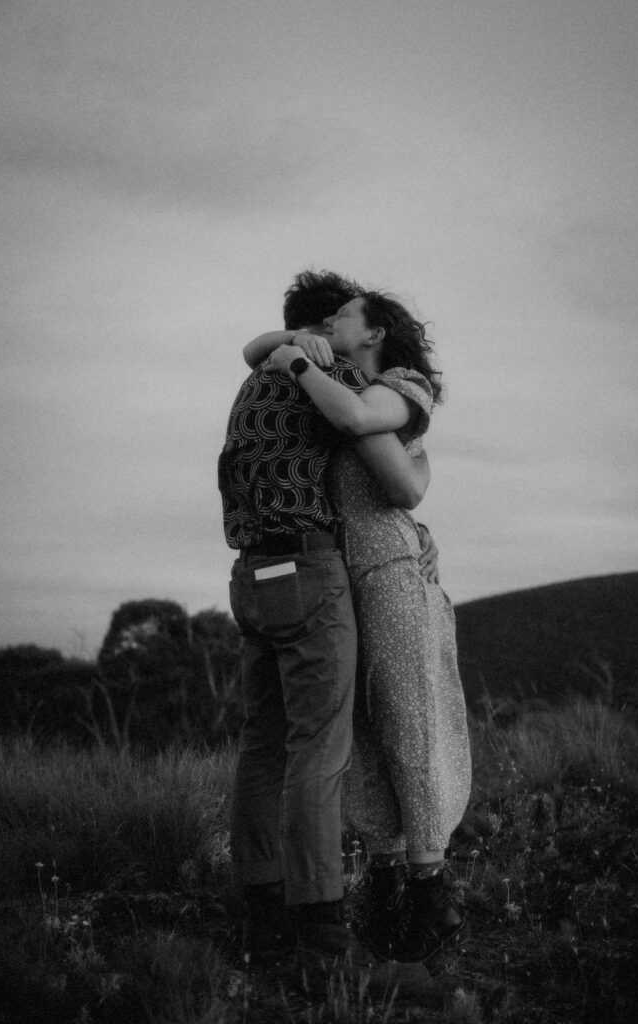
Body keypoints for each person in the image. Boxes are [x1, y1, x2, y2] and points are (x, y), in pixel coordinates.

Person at [218, 272, 432, 972]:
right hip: (308, 572)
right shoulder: (328, 370)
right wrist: (416, 493)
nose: (344, 323)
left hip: (250, 574)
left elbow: (255, 347)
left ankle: (263, 920)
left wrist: (279, 344)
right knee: (319, 751)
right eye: (338, 314)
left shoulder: (256, 380)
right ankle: (322, 935)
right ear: (327, 327)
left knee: (263, 747)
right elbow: (395, 482)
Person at [254, 289, 472, 965]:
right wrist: (289, 346)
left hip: (392, 575)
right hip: (345, 580)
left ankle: (430, 897)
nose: (327, 326)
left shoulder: (393, 389)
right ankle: (384, 882)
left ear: (374, 330)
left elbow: (396, 481)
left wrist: (294, 361)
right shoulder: (341, 379)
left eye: (341, 316)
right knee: (366, 734)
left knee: (410, 727)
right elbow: (253, 348)